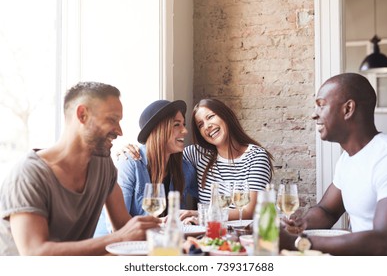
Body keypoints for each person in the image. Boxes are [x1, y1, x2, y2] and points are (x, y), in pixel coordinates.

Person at [0, 82, 160, 256]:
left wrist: (170, 235)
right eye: (112, 119)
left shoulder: (103, 164)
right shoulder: (28, 175)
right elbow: (35, 253)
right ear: (82, 115)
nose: (120, 131)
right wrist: (119, 238)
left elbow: (122, 224)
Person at [280, 73, 387, 255]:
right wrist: (301, 224)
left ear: (348, 109)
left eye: (321, 105)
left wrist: (299, 242)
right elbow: (327, 210)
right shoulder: (346, 160)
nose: (314, 115)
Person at [120, 98, 274, 222]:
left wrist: (194, 214)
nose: (207, 126)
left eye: (210, 117)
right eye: (200, 124)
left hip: (244, 232)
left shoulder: (255, 156)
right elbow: (159, 150)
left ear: (225, 115)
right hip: (206, 234)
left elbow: (249, 211)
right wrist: (125, 151)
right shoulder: (195, 155)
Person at [94, 100, 198, 236]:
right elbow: (117, 227)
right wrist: (165, 223)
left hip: (159, 243)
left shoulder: (185, 169)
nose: (185, 131)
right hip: (118, 247)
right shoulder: (130, 162)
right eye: (176, 125)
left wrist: (192, 218)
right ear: (158, 130)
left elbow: (211, 204)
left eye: (183, 124)